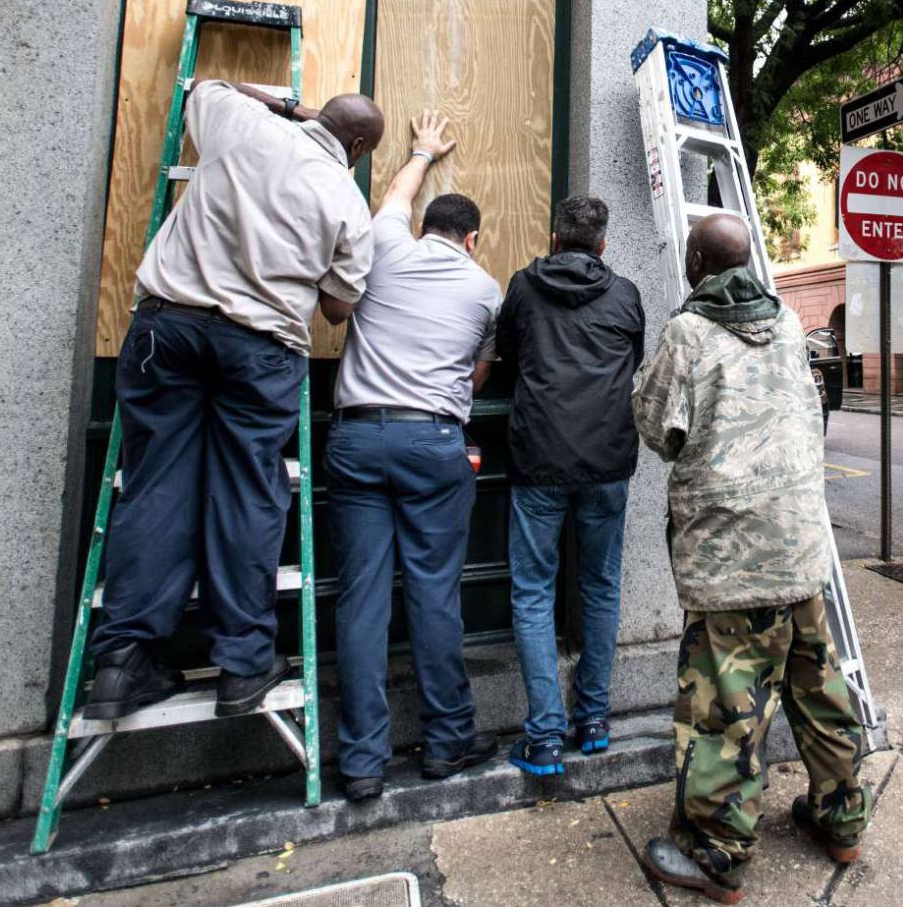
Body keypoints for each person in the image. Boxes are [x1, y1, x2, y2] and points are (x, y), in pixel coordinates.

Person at [87, 81, 381, 722]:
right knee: (248, 492)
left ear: (317, 116)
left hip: (168, 326)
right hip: (261, 347)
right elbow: (338, 307)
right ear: (356, 147)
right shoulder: (346, 200)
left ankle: (122, 663)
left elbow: (205, 85)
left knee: (154, 484)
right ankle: (243, 665)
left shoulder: (240, 124)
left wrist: (288, 106)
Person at [631, 213, 870, 903]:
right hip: (801, 549)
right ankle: (842, 819)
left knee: (726, 711)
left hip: (729, 560)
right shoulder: (792, 324)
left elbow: (657, 428)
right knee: (819, 691)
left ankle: (715, 851)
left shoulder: (688, 333)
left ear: (697, 263)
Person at [328, 110, 504, 799]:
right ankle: (447, 740)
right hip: (433, 441)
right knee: (434, 594)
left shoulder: (384, 247)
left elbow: (394, 200)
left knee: (362, 599)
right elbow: (477, 375)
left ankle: (363, 762)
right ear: (473, 239)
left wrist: (423, 151)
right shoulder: (485, 290)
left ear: (425, 228)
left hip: (358, 436)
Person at [496, 195, 645, 777]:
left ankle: (544, 738)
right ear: (602, 243)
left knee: (533, 592)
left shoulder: (524, 287)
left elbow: (506, 352)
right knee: (601, 587)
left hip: (538, 457)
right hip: (607, 460)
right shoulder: (625, 294)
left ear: (555, 239)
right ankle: (595, 720)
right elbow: (634, 361)